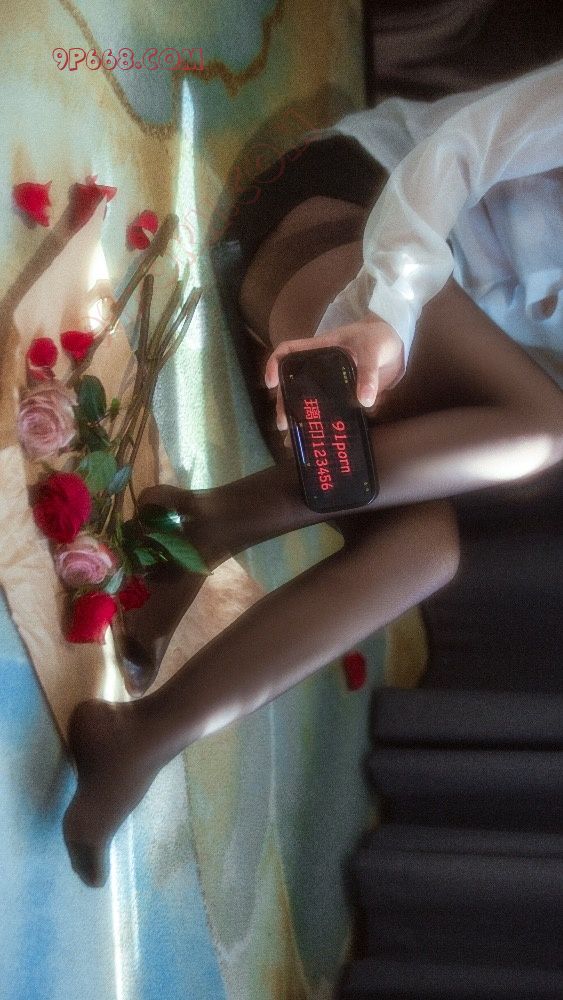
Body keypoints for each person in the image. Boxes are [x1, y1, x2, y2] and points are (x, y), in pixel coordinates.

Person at [63, 60, 563, 887]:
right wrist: (388, 316)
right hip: (331, 225)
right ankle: (211, 523)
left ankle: (140, 737)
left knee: (425, 550)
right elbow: (456, 152)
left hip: (345, 370)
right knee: (544, 428)